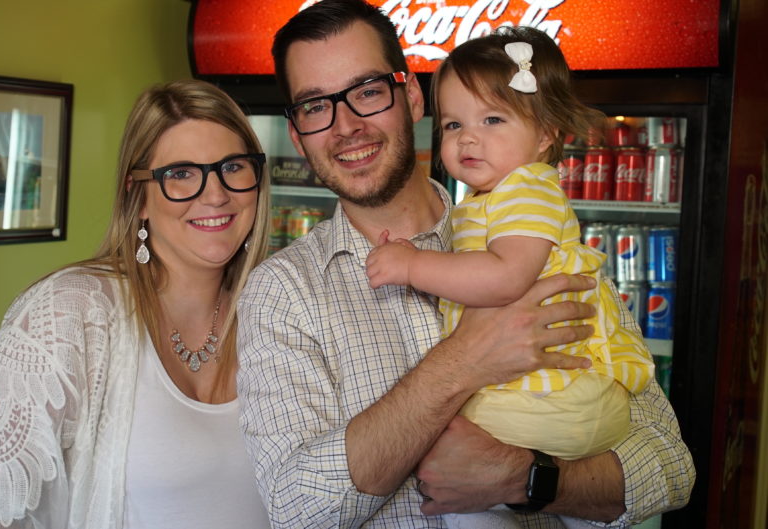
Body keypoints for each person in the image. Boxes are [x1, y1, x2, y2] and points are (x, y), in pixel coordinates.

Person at [235, 1, 694, 528]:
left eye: (366, 92)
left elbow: (671, 467)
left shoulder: (536, 243)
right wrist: (464, 361)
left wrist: (525, 478)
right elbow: (296, 511)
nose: (347, 126)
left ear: (410, 98)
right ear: (296, 134)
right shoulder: (280, 292)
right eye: (316, 107)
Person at [0, 79, 272, 529]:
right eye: (181, 174)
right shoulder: (68, 314)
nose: (215, 194)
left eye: (233, 167)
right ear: (138, 197)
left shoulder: (272, 316)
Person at [363, 26, 657, 529]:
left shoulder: (527, 190)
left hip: (551, 397)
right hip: (563, 397)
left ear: (545, 133)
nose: (468, 137)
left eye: (493, 119)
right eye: (454, 124)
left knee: (438, 445)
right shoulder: (492, 200)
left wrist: (412, 265)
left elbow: (505, 278)